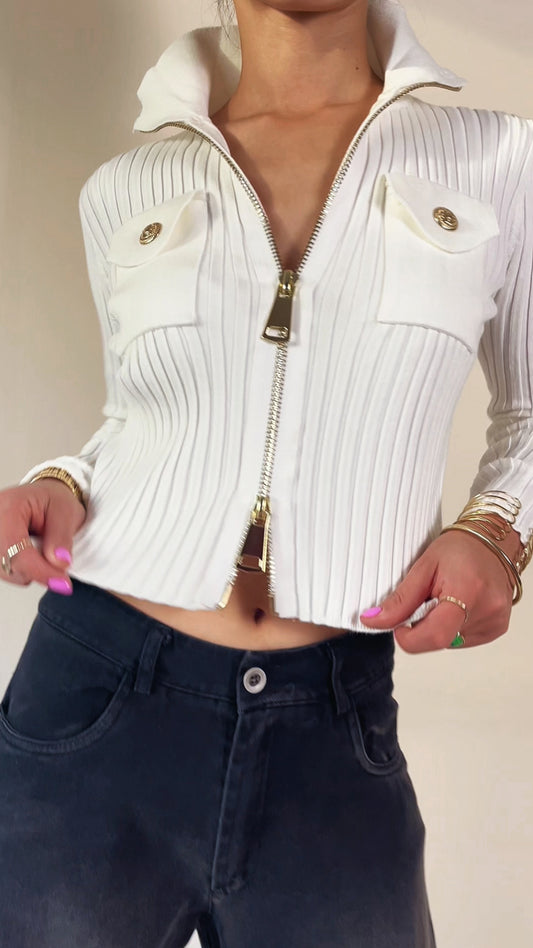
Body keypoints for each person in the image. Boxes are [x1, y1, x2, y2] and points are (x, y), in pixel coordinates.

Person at [1, 0, 532, 944]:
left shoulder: (499, 161)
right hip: (95, 695)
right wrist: (62, 483)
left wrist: (496, 528)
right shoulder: (126, 186)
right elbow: (137, 415)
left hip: (332, 721)